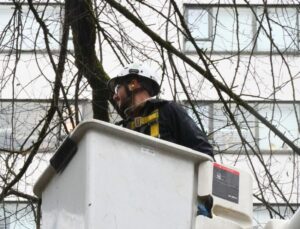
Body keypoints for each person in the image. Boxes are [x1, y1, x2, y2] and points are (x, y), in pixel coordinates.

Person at [107, 62, 214, 158]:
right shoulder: (126, 126)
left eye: (117, 88)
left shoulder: (167, 110)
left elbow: (204, 153)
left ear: (133, 84)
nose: (114, 97)